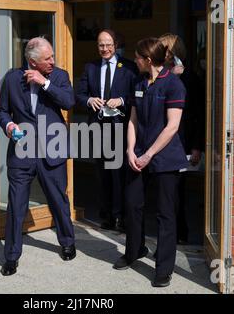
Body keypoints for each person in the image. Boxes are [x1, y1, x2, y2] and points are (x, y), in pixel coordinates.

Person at [0, 37, 76, 276]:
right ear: (32, 61)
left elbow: (69, 102)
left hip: (52, 150)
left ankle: (67, 242)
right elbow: (1, 110)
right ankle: (11, 257)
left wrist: (45, 83)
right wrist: (9, 126)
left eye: (52, 56)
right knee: (16, 206)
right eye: (47, 58)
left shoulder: (59, 76)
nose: (53, 61)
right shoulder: (11, 78)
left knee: (58, 200)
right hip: (22, 153)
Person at [113, 38, 188, 288]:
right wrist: (130, 150)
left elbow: (172, 126)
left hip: (164, 158)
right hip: (138, 155)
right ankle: (134, 251)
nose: (134, 60)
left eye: (137, 57)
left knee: (165, 214)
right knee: (132, 204)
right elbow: (132, 120)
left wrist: (149, 154)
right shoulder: (139, 82)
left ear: (147, 60)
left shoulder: (173, 85)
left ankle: (163, 268)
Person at [76, 29, 137, 232]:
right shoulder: (91, 67)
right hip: (98, 127)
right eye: (101, 45)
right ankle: (107, 215)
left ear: (116, 44)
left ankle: (121, 216)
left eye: (108, 44)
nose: (105, 48)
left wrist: (121, 100)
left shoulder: (129, 67)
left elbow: (137, 95)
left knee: (119, 173)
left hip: (120, 127)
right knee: (102, 173)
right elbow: (79, 94)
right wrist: (89, 100)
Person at [159, 34, 206, 244]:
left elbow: (198, 115)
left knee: (178, 191)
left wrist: (197, 146)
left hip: (183, 141)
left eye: (164, 50)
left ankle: (181, 233)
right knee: (167, 192)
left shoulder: (190, 79)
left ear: (174, 54)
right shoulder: (161, 76)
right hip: (162, 142)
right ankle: (170, 232)